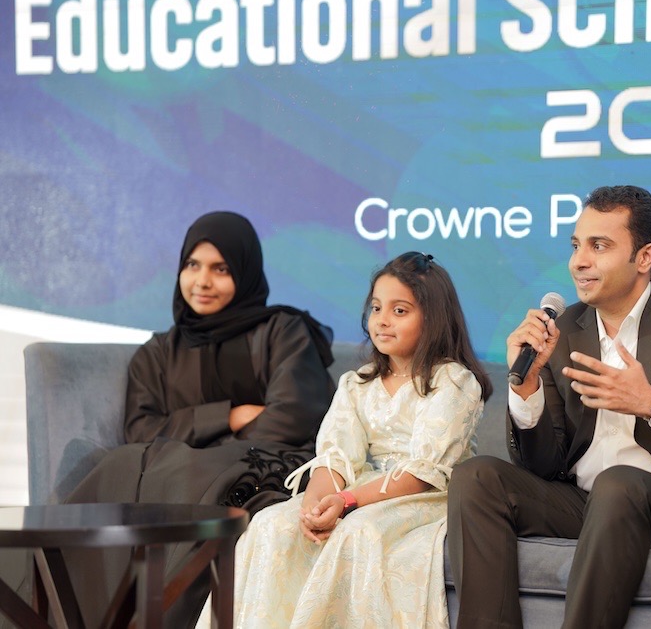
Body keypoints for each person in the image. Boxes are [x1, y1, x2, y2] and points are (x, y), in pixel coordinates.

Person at [447, 185, 651, 628]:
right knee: (477, 477)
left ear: (644, 257)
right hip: (588, 502)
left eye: (599, 246)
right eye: (576, 245)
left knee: (619, 483)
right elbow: (543, 467)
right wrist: (528, 390)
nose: (578, 261)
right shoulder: (563, 328)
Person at [65, 211, 337, 627]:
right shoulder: (158, 353)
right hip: (179, 477)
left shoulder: (283, 331)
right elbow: (140, 430)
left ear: (244, 273)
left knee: (175, 473)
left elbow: (294, 417)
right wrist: (228, 416)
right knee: (120, 464)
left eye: (220, 269)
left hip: (265, 472)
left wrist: (203, 447)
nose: (202, 281)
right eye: (192, 265)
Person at [196, 251, 493, 629]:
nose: (382, 320)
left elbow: (423, 473)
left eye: (400, 311)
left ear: (433, 319)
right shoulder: (357, 384)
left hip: (426, 495)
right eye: (376, 308)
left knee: (358, 531)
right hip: (360, 489)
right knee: (273, 523)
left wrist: (347, 501)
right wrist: (315, 505)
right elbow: (335, 456)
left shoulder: (453, 381)